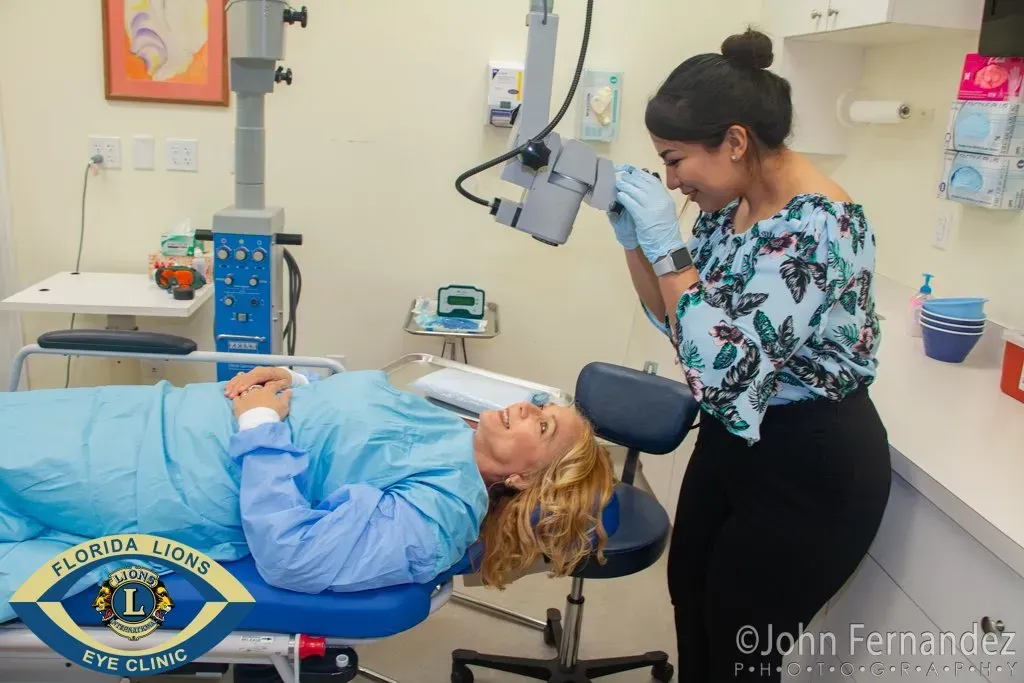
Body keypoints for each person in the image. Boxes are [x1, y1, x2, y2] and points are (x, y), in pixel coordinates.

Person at [607, 28, 892, 682]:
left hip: (810, 461)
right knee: (693, 597)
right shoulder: (726, 207)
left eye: (676, 161)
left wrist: (668, 250)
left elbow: (724, 369)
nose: (674, 182)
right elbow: (683, 325)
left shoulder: (820, 228)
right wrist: (637, 244)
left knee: (740, 645)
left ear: (735, 141)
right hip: (736, 436)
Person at [0, 366, 613, 623]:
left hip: (161, 472)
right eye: (541, 405)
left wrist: (260, 425)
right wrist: (297, 386)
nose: (525, 408)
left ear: (527, 480)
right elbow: (347, 435)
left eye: (543, 425)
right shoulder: (446, 427)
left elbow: (292, 556)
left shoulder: (439, 515)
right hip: (152, 415)